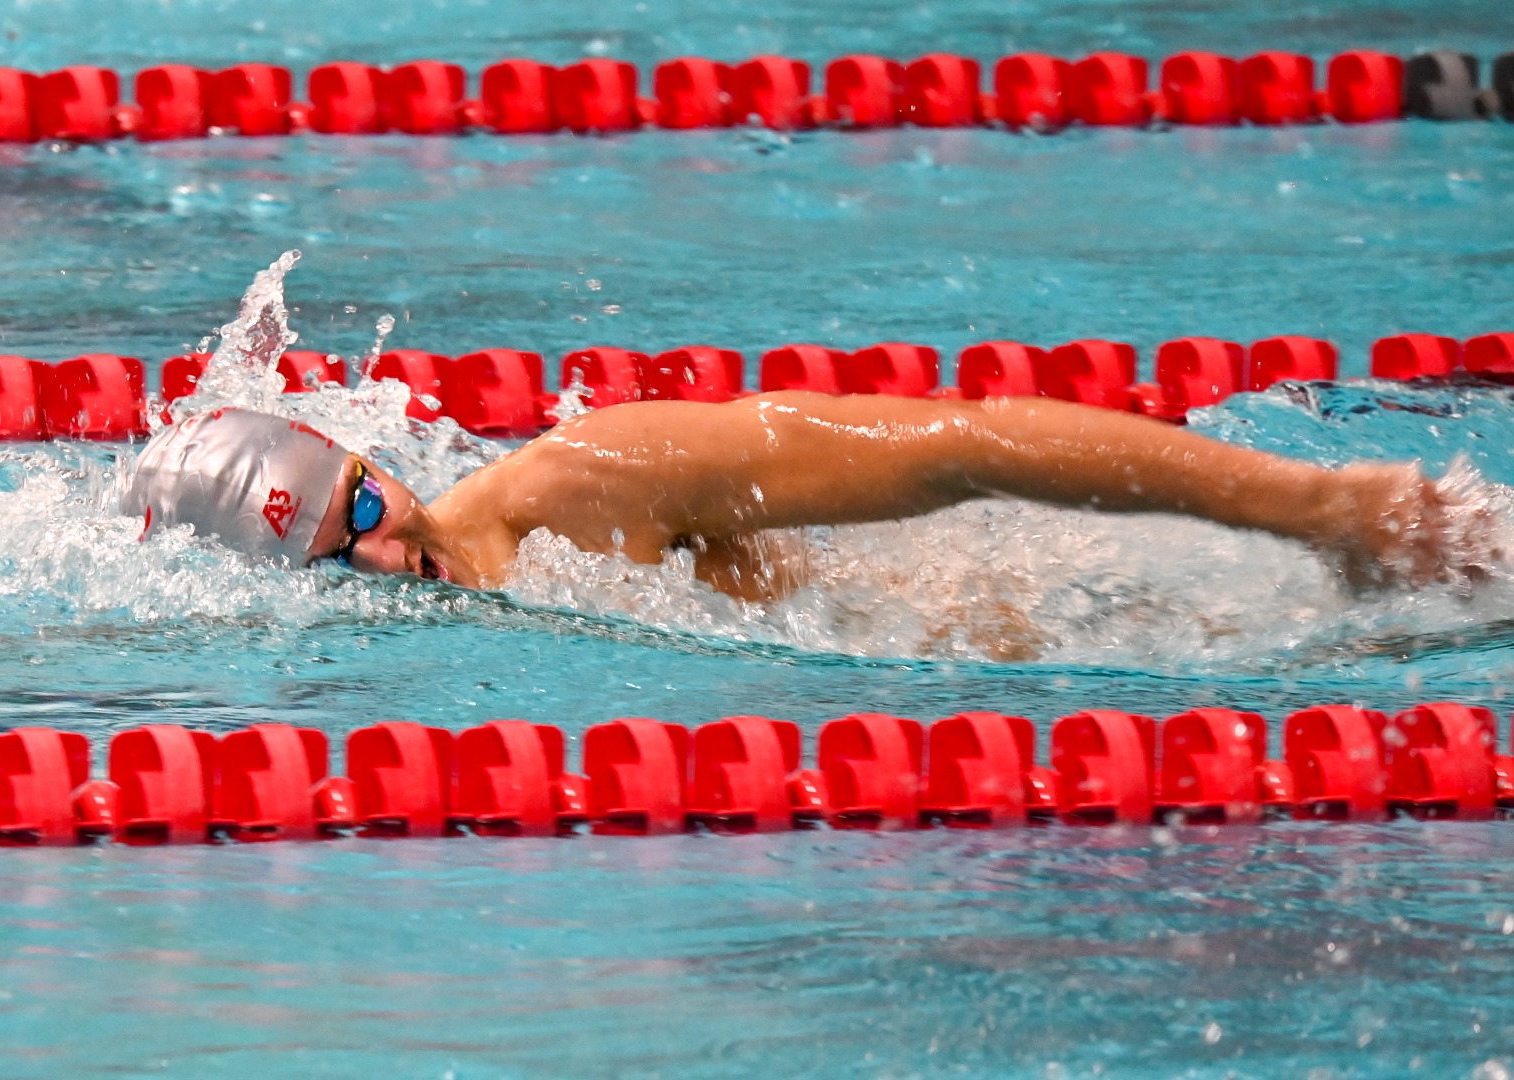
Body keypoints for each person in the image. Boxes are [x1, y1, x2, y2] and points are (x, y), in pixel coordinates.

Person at [123, 392, 1464, 603]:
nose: (387, 549)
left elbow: (971, 444)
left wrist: (1324, 512)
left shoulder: (581, 484)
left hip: (1074, 621)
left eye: (364, 504)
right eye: (335, 554)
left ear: (375, 465)